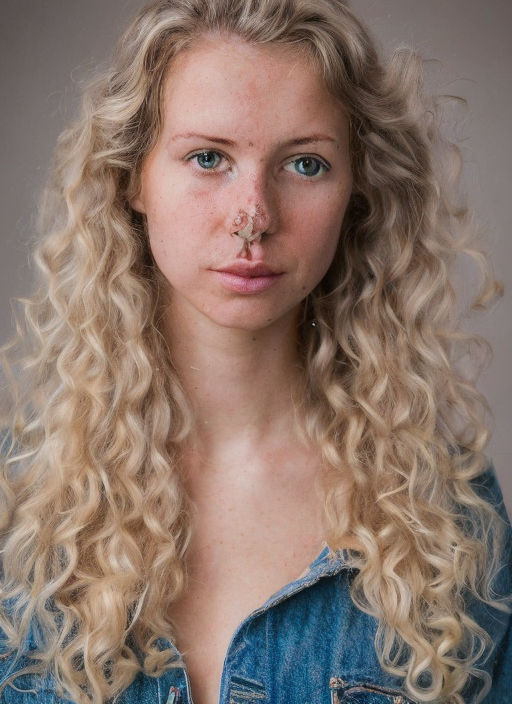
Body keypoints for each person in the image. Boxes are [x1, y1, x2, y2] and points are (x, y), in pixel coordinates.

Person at [0, 0, 510, 702]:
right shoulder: (17, 508)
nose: (254, 217)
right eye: (208, 158)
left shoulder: (447, 513)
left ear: (355, 191)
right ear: (132, 178)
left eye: (304, 164)